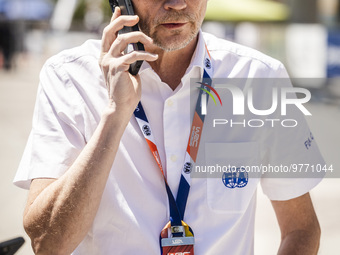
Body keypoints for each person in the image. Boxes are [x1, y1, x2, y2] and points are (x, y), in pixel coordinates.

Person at [14, 0, 325, 254]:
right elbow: (47, 244)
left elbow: (301, 229)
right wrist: (115, 113)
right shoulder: (69, 77)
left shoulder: (259, 76)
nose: (177, 3)